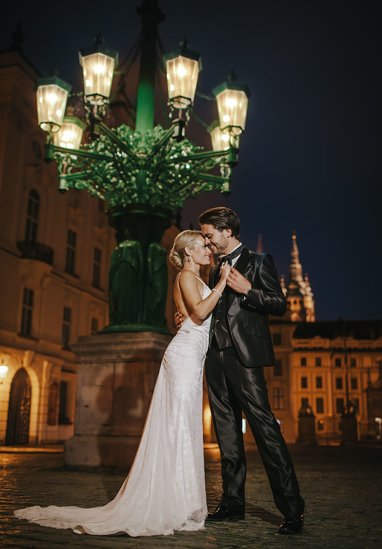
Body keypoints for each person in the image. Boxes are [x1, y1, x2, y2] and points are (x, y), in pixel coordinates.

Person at [14, 230, 230, 537]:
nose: (208, 251)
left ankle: (181, 501)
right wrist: (222, 284)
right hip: (184, 358)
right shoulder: (185, 276)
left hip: (191, 356)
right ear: (188, 253)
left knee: (183, 426)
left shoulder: (191, 278)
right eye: (202, 248)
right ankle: (174, 503)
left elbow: (183, 316)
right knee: (178, 426)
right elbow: (198, 311)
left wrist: (200, 303)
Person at [198, 206, 305, 535]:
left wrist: (248, 290)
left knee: (265, 430)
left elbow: (279, 303)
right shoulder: (213, 267)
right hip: (214, 357)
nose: (207, 241)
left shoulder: (260, 262)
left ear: (227, 231)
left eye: (209, 234)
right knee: (226, 433)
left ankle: (291, 509)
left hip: (244, 357)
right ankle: (232, 503)